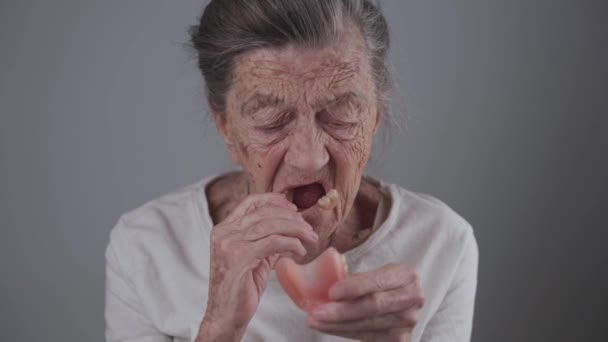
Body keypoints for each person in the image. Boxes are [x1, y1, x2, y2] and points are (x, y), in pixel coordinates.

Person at [104, 1, 478, 341]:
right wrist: (219, 328)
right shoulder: (146, 248)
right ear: (225, 126)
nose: (310, 157)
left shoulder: (441, 244)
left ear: (375, 116)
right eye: (271, 121)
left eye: (340, 114)